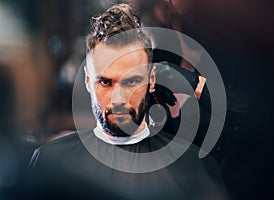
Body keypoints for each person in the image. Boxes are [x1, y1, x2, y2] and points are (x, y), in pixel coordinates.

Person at [27, 3, 228, 200]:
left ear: (151, 80)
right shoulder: (51, 162)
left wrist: (197, 86)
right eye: (106, 82)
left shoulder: (192, 167)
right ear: (88, 80)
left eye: (132, 81)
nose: (119, 98)